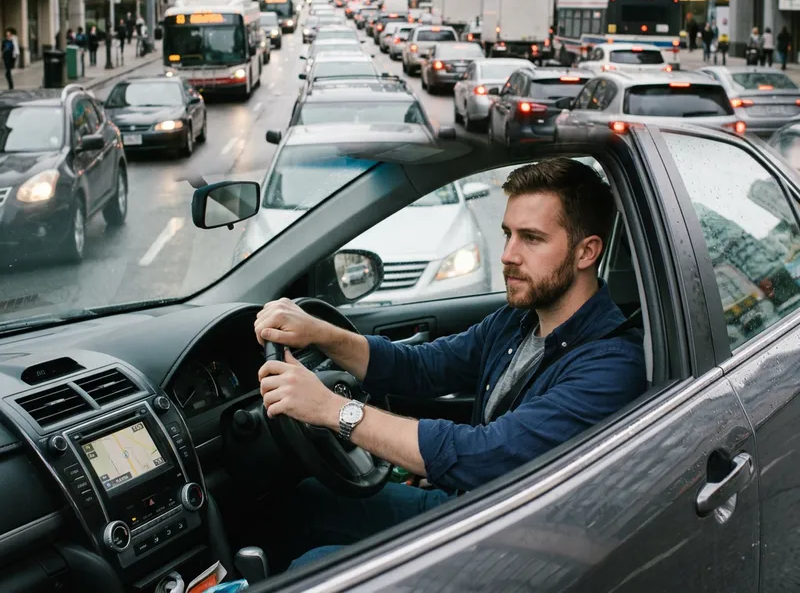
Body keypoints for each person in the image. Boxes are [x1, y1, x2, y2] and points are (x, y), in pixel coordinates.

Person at [254, 159, 647, 570]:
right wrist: (319, 332)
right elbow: (423, 367)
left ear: (586, 252)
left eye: (531, 238)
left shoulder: (611, 367)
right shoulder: (517, 320)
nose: (508, 255)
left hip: (513, 548)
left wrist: (331, 409)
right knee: (307, 499)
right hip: (470, 506)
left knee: (312, 569)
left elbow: (482, 455)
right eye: (508, 234)